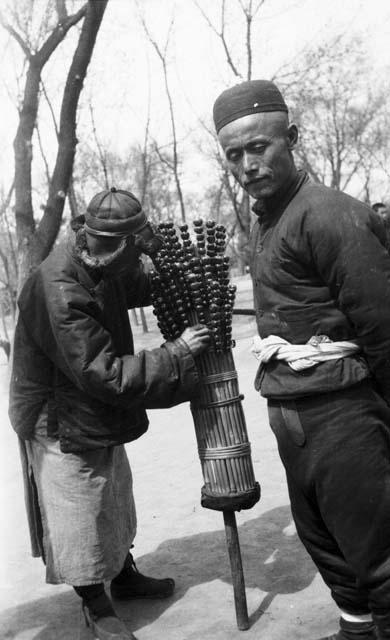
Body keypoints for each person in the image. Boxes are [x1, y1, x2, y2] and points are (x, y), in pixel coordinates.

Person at [213, 79, 390, 640]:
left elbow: (384, 330)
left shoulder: (331, 216)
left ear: (291, 138)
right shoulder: (269, 219)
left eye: (258, 146)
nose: (247, 164)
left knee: (378, 551)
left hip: (342, 412)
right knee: (328, 546)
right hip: (293, 416)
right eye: (233, 154)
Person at [9, 187, 210, 640]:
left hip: (87, 404)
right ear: (114, 247)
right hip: (56, 413)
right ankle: (94, 604)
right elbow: (103, 374)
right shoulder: (58, 288)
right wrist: (175, 353)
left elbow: (139, 283)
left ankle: (123, 573)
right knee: (80, 506)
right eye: (132, 255)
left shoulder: (101, 259)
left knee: (114, 491)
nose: (133, 267)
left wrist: (163, 258)